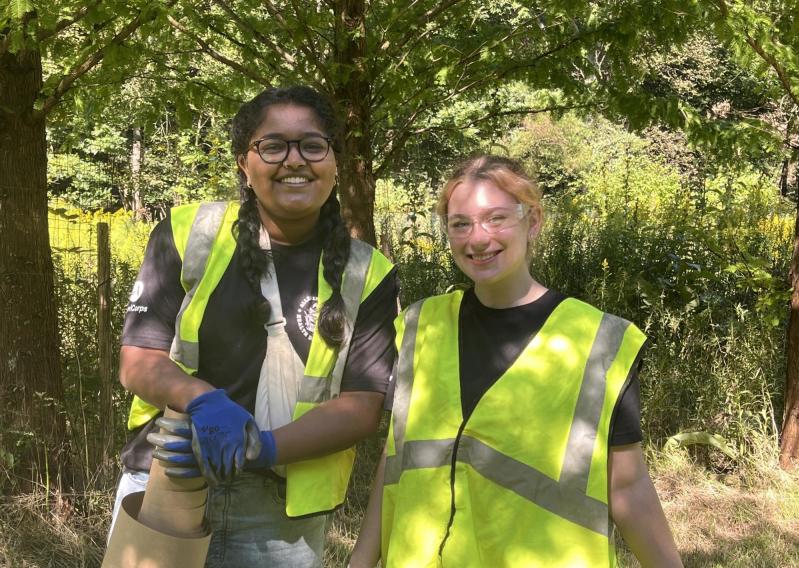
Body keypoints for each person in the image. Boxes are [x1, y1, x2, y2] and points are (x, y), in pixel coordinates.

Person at [111, 85, 398, 567]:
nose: (294, 160)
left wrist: (260, 449)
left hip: (280, 519)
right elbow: (138, 361)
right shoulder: (189, 233)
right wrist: (201, 398)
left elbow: (362, 407)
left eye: (312, 144)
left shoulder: (366, 272)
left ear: (334, 161)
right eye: (272, 146)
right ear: (245, 164)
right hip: (166, 483)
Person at [350, 155, 682, 567]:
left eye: (496, 218)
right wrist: (360, 561)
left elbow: (628, 487)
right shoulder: (421, 327)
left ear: (534, 221)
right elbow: (397, 458)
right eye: (461, 223)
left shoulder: (598, 342)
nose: (477, 238)